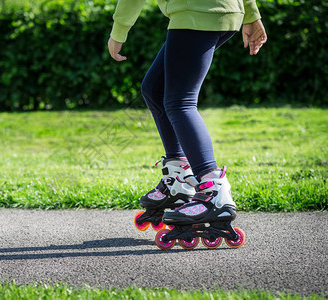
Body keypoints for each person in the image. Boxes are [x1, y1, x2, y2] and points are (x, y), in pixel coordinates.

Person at [108, 0, 267, 237]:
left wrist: (118, 31)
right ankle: (180, 178)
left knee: (180, 102)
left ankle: (214, 193)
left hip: (197, 10)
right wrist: (251, 15)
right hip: (223, 9)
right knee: (155, 90)